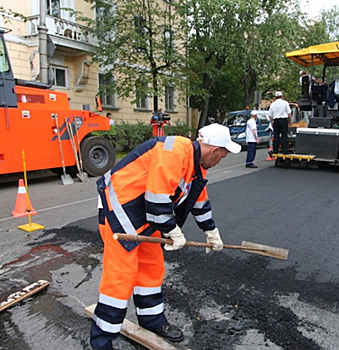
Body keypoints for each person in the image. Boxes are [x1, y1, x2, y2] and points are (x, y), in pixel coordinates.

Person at [90, 124, 241, 350]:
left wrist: (211, 231)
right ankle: (101, 342)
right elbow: (157, 198)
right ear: (214, 150)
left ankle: (152, 321)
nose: (221, 160)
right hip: (119, 210)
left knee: (152, 268)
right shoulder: (176, 150)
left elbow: (199, 201)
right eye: (222, 155)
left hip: (144, 214)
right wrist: (173, 230)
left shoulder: (196, 165)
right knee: (121, 276)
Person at [268, 91, 292, 155]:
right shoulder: (285, 103)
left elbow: (270, 115)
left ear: (275, 97)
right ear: (282, 96)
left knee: (276, 136)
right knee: (284, 136)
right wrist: (290, 121)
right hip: (284, 120)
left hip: (276, 121)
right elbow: (289, 113)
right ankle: (285, 151)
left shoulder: (273, 104)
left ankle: (275, 150)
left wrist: (272, 122)